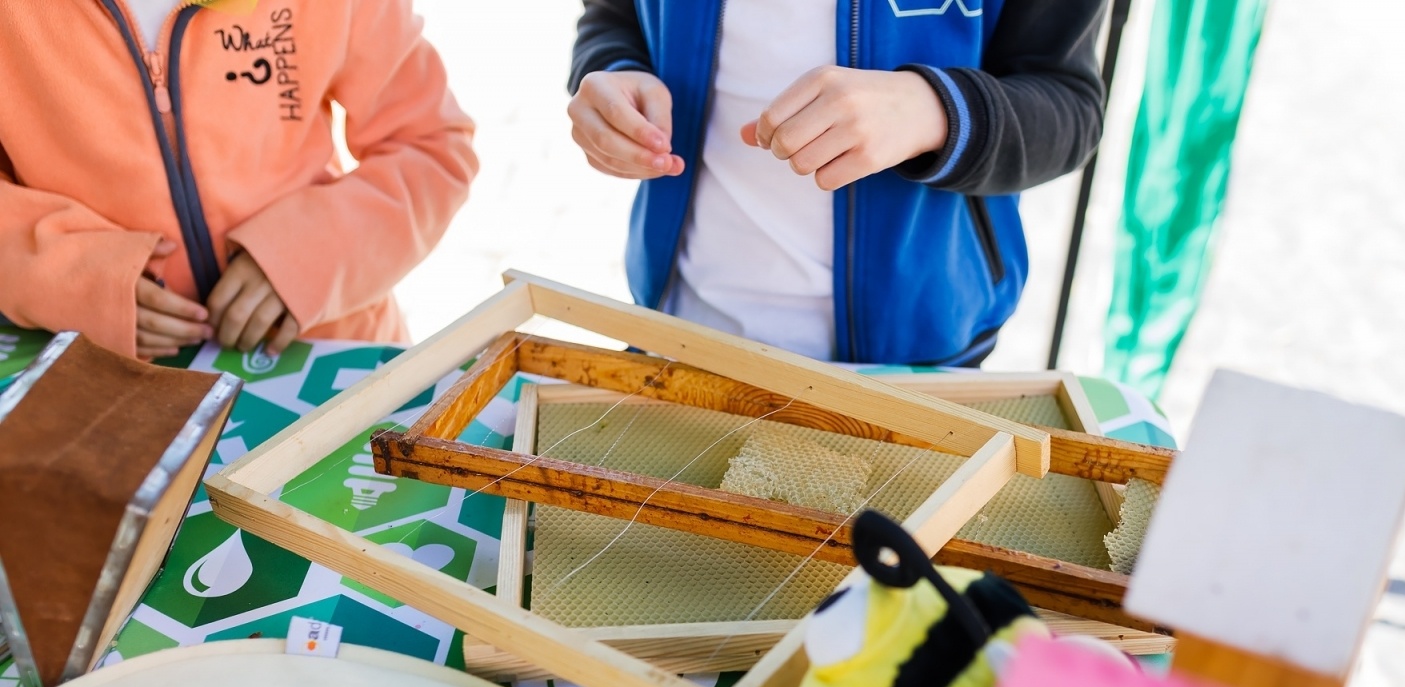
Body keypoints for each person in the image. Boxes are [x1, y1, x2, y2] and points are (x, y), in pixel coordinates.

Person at [568, 0, 1107, 366]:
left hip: (914, 365)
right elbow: (612, 16)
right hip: (675, 332)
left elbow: (1071, 106)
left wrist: (934, 110)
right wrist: (613, 68)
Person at [0, 0, 477, 361]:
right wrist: (68, 279)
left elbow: (432, 146)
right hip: (93, 374)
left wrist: (309, 257)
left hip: (333, 358)